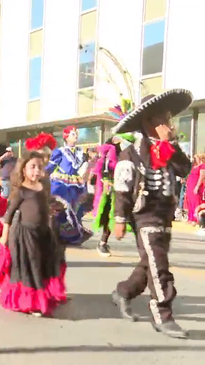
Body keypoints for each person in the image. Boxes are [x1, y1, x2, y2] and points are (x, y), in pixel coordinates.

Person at [111, 89, 193, 339]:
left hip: (166, 214)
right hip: (144, 216)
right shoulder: (132, 153)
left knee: (150, 263)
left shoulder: (168, 149)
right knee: (160, 267)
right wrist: (120, 219)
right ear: (149, 123)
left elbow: (184, 169)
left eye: (169, 119)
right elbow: (123, 189)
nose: (169, 125)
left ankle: (123, 292)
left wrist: (172, 143)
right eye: (164, 120)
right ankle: (162, 314)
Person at [0, 150, 66, 317]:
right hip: (25, 234)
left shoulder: (43, 187)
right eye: (32, 167)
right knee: (31, 266)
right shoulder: (21, 191)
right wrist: (4, 237)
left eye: (39, 167)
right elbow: (9, 214)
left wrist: (52, 210)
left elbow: (44, 206)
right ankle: (32, 302)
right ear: (23, 170)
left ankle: (45, 295)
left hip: (42, 233)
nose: (36, 170)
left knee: (45, 263)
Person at [46, 126, 93, 246]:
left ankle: (70, 235)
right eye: (73, 134)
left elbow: (81, 168)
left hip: (74, 182)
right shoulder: (60, 151)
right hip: (61, 181)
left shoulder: (80, 151)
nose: (76, 136)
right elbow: (50, 167)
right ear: (66, 137)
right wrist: (40, 175)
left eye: (76, 134)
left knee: (76, 207)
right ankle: (54, 234)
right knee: (61, 207)